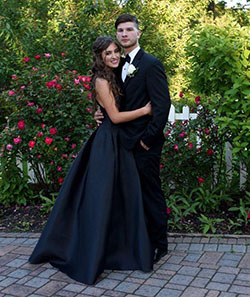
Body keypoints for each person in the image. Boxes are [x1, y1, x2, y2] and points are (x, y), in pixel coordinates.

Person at [29, 36, 154, 285]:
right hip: (108, 143)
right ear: (100, 56)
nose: (114, 56)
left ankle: (115, 251)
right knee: (102, 197)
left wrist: (100, 112)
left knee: (122, 196)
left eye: (116, 51)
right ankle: (90, 253)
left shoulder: (112, 77)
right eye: (108, 53)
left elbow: (107, 111)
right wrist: (145, 110)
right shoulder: (101, 80)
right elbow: (116, 117)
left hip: (118, 141)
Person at [95, 14, 171, 263]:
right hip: (120, 143)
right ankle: (136, 241)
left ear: (139, 33)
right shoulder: (114, 65)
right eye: (120, 30)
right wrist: (99, 112)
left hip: (143, 144)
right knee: (129, 194)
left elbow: (162, 107)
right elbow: (110, 99)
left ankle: (160, 244)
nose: (124, 34)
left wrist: (147, 141)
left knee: (149, 192)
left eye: (129, 29)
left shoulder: (150, 64)